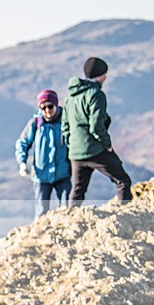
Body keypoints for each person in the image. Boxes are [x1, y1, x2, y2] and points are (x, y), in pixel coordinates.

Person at [63, 57, 132, 207]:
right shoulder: (96, 94)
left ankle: (71, 222)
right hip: (94, 150)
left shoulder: (70, 97)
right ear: (102, 75)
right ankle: (124, 216)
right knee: (123, 181)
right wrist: (107, 145)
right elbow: (96, 126)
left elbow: (65, 127)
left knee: (77, 190)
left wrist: (72, 145)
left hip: (75, 152)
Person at [15, 89, 71, 218]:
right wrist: (22, 162)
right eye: (43, 107)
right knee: (41, 213)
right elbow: (22, 143)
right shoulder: (35, 124)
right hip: (41, 176)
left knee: (67, 210)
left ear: (56, 105)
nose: (47, 110)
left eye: (50, 106)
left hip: (63, 174)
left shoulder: (66, 121)